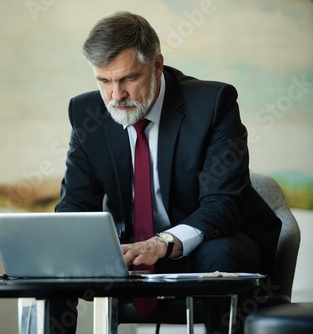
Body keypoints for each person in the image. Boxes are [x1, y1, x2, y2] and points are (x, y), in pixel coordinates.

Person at [52, 11, 282, 334]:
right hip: (131, 252)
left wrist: (162, 243)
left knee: (222, 255)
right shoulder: (86, 113)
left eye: (128, 79)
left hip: (206, 244)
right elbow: (76, 205)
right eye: (104, 81)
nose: (116, 96)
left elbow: (223, 203)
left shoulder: (213, 103)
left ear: (157, 65)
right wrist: (54, 244)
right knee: (50, 264)